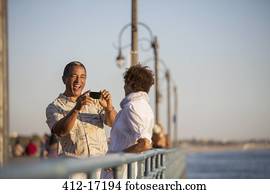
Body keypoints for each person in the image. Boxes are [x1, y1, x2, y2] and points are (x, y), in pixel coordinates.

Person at [46, 61, 117, 177]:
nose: (79, 81)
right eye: (74, 76)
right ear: (64, 79)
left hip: (101, 172)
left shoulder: (95, 100)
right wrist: (76, 109)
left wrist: (109, 108)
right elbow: (60, 131)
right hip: (75, 173)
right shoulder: (54, 106)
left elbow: (114, 123)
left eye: (83, 77)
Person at [104, 64, 155, 178]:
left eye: (125, 83)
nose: (123, 87)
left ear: (131, 84)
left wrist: (117, 159)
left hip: (120, 173)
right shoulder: (145, 107)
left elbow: (145, 144)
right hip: (128, 171)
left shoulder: (132, 107)